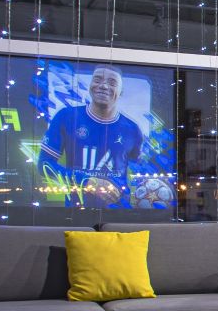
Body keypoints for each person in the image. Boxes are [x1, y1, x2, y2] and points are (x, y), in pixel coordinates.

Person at [40, 66, 145, 208]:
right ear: (90, 85)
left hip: (118, 212)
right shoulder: (66, 117)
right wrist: (88, 182)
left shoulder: (133, 130)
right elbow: (44, 165)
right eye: (97, 80)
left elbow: (140, 171)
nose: (103, 86)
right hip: (76, 211)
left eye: (112, 82)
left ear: (121, 91)